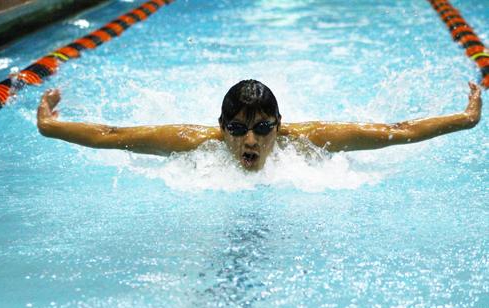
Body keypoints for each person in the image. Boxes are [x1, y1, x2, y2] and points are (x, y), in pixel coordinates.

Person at [37, 80, 482, 171]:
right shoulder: (197, 144)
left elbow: (398, 130)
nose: (250, 141)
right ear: (221, 126)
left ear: (278, 125)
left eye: (262, 128)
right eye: (236, 129)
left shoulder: (307, 142)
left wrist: (466, 119)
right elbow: (114, 137)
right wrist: (49, 126)